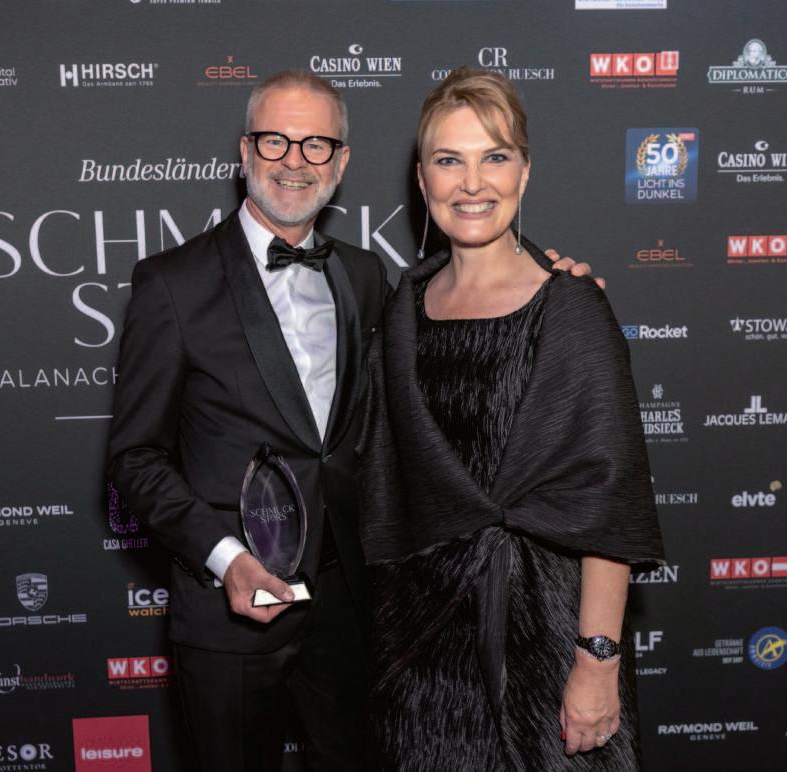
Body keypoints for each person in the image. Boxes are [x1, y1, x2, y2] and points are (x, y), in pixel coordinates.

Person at [107, 69, 598, 772]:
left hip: (351, 608)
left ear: (340, 164)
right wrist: (225, 558)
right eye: (275, 141)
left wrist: (554, 284)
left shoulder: (366, 277)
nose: (294, 161)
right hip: (228, 613)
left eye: (317, 145)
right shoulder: (172, 283)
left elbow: (464, 340)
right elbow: (135, 458)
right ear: (244, 152)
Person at [357, 67, 665, 771]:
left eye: (493, 157)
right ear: (422, 179)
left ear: (523, 172)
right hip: (420, 643)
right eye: (448, 160)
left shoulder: (569, 308)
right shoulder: (402, 312)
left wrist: (596, 661)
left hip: (545, 638)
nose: (472, 183)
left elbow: (607, 501)